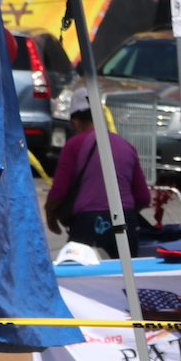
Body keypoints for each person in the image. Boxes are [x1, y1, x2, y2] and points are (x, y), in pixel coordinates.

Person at [44, 88, 150, 257]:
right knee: (125, 280)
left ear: (75, 121)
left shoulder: (74, 145)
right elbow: (143, 197)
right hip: (124, 222)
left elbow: (59, 191)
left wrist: (50, 213)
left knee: (82, 279)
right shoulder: (126, 146)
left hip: (87, 224)